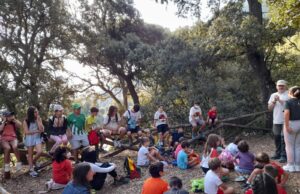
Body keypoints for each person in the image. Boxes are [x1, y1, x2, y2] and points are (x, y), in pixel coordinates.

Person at [268, 80, 289, 163]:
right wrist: (274, 101)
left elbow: (290, 106)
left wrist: (280, 100)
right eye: (279, 85)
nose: (281, 87)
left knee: (284, 138)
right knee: (276, 137)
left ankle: (284, 155)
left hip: (286, 120)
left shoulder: (289, 94)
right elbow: (269, 108)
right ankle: (277, 153)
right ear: (276, 86)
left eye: (282, 85)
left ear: (285, 86)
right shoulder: (273, 95)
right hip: (276, 120)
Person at [23, 106, 44, 177]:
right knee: (30, 154)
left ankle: (34, 161)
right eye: (35, 112)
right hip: (29, 138)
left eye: (37, 111)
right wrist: (36, 131)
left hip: (37, 137)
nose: (37, 113)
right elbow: (26, 132)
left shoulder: (38, 119)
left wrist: (38, 121)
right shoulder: (26, 121)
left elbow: (42, 129)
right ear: (31, 113)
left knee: (40, 152)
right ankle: (31, 170)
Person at [283, 86, 300, 172]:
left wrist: (287, 126)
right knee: (297, 145)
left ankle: (290, 165)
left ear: (290, 93)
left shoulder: (288, 102)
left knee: (289, 146)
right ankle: (297, 165)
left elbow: (286, 113)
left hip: (292, 123)